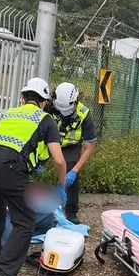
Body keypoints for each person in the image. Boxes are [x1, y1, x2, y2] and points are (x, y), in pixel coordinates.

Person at [0, 77, 67, 276]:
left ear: (23, 98)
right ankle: (4, 271)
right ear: (44, 101)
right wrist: (61, 186)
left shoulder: (5, 114)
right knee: (25, 220)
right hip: (9, 164)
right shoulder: (46, 120)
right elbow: (60, 160)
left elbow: (7, 140)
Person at [51, 82, 97, 225]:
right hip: (49, 143)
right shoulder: (48, 107)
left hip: (70, 146)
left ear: (76, 101)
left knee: (71, 166)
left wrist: (75, 171)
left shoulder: (84, 114)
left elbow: (89, 147)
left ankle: (71, 210)